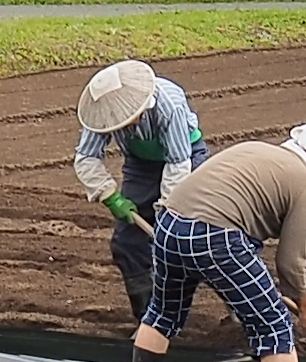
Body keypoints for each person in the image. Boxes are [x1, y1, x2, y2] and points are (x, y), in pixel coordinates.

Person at [130, 121, 306, 362]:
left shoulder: (253, 148)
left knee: (162, 313)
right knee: (274, 326)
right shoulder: (304, 186)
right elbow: (290, 263)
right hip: (216, 237)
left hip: (169, 225)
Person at [72, 59, 206, 320]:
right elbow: (86, 157)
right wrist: (110, 196)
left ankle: (240, 310)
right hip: (141, 165)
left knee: (197, 238)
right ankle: (149, 319)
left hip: (186, 158)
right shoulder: (102, 113)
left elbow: (178, 163)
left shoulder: (169, 105)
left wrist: (168, 214)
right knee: (127, 242)